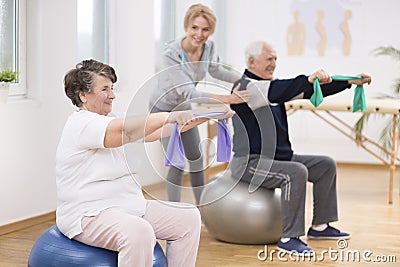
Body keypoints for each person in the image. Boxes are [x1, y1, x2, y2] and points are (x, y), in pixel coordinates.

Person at [56, 59, 234, 266]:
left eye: (112, 88)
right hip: (88, 213)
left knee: (189, 218)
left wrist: (208, 115)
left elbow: (161, 130)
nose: (112, 95)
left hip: (126, 205)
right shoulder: (81, 124)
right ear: (83, 95)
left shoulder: (114, 118)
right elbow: (125, 131)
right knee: (140, 232)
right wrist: (169, 116)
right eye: (105, 89)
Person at [229, 41, 371, 254]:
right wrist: (307, 78)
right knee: (296, 172)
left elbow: (307, 90)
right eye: (269, 59)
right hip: (250, 163)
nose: (274, 64)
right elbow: (282, 88)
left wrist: (349, 82)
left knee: (325, 165)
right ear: (251, 61)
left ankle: (320, 226)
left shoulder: (272, 89)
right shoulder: (244, 88)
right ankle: (289, 238)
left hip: (281, 159)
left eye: (275, 59)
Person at [149, 3, 250, 204]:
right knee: (177, 162)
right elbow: (190, 93)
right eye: (194, 27)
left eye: (205, 29)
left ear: (210, 31)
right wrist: (228, 99)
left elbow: (216, 71)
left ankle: (201, 209)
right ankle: (174, 211)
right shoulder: (171, 54)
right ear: (186, 26)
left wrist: (246, 80)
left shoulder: (208, 47)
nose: (199, 34)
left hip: (183, 108)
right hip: (163, 110)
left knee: (196, 160)